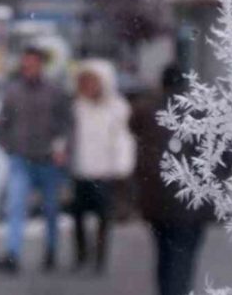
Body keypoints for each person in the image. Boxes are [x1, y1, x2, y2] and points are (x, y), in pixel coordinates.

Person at [130, 63, 215, 295]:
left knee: (164, 253)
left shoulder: (146, 111)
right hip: (192, 201)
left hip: (156, 199)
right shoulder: (202, 113)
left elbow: (136, 141)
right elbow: (224, 157)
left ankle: (166, 290)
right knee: (185, 255)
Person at [0, 45, 72, 275]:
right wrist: (8, 147)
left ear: (41, 65)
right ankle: (12, 254)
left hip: (48, 161)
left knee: (50, 209)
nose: (28, 68)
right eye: (26, 64)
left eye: (33, 63)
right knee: (15, 207)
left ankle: (51, 251)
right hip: (21, 159)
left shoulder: (55, 92)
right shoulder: (13, 92)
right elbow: (3, 122)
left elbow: (67, 123)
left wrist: (62, 148)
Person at [69, 59, 135, 273]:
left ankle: (100, 258)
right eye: (85, 81)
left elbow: (122, 139)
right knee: (78, 216)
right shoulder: (77, 106)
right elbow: (70, 135)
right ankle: (81, 255)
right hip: (80, 170)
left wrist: (122, 168)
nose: (89, 86)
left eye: (93, 81)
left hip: (105, 172)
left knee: (103, 218)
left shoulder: (117, 107)